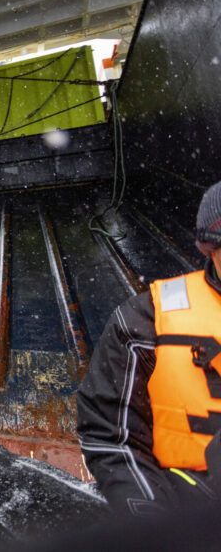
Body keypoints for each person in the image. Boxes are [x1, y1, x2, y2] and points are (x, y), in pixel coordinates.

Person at [78, 181, 221, 516]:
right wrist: (151, 520)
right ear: (211, 248)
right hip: (186, 509)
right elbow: (109, 433)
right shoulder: (146, 322)